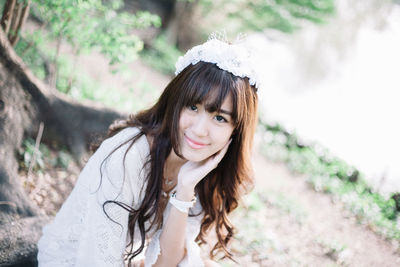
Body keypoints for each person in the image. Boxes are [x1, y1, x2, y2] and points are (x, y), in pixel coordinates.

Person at [37, 36, 259, 267]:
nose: (200, 130)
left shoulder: (202, 168)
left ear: (235, 132)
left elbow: (167, 264)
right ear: (175, 102)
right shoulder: (128, 156)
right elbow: (97, 258)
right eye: (193, 107)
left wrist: (184, 189)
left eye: (220, 118)